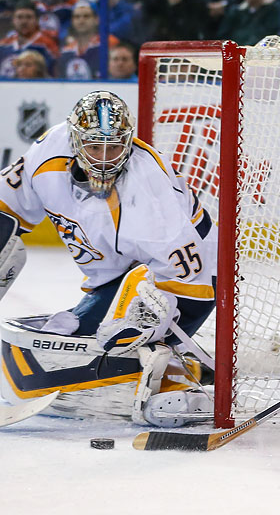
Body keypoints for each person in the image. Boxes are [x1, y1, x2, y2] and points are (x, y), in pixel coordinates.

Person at [0, 91, 217, 427]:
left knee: (106, 349)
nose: (103, 158)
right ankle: (169, 363)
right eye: (93, 146)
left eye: (114, 146)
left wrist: (144, 330)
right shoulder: (48, 151)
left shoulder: (149, 193)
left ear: (128, 142)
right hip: (122, 274)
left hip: (188, 276)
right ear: (74, 140)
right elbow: (5, 209)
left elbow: (193, 289)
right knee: (64, 346)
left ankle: (179, 374)